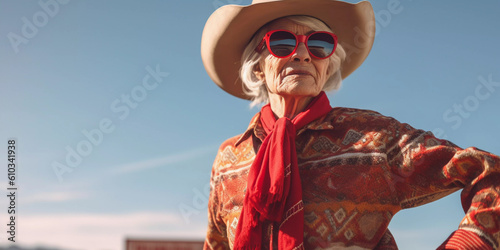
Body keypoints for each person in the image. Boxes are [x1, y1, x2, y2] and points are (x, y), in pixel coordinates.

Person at [200, 0, 500, 249]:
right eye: (282, 42)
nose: (303, 54)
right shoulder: (229, 157)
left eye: (319, 44)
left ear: (329, 65)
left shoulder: (375, 138)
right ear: (258, 65)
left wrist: (468, 244)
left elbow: (491, 174)